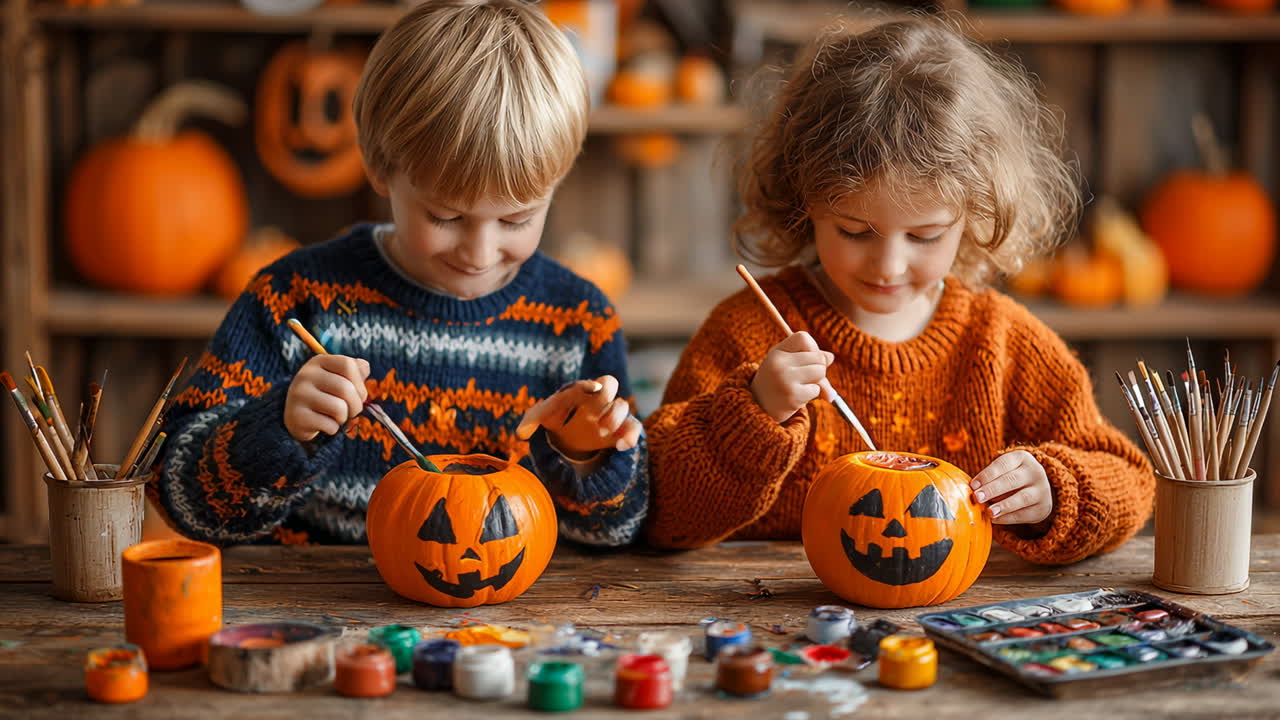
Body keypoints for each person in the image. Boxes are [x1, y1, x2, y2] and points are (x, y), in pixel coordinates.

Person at [643, 17, 1153, 564]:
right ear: (805, 202)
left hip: (951, 623)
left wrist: (1058, 491)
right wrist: (753, 413)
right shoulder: (750, 331)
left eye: (924, 236)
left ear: (972, 217)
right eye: (855, 232)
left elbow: (1130, 479)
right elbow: (658, 509)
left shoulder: (1002, 343)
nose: (888, 265)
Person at [153, 0, 646, 547]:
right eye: (446, 216)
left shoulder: (579, 321)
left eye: (516, 219)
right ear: (379, 166)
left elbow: (618, 530)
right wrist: (279, 431)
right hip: (309, 606)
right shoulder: (297, 298)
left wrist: (583, 456)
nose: (479, 253)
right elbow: (178, 496)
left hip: (503, 623)